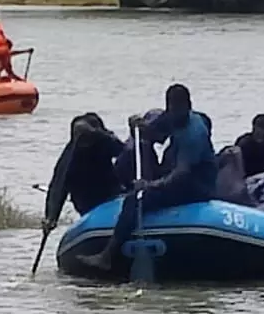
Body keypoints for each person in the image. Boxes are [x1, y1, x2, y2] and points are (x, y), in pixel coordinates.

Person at [77, 84, 217, 271]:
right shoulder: (171, 117)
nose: (175, 113)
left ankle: (107, 256)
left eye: (179, 108)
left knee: (134, 200)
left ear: (189, 106)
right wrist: (137, 124)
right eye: (171, 108)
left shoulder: (195, 133)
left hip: (198, 184)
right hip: (181, 177)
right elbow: (153, 134)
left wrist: (150, 185)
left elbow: (182, 173)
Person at [43, 113, 127, 231]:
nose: (85, 142)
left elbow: (123, 151)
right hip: (86, 201)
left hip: (111, 195)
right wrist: (51, 217)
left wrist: (99, 134)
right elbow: (58, 189)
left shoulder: (104, 142)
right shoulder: (70, 157)